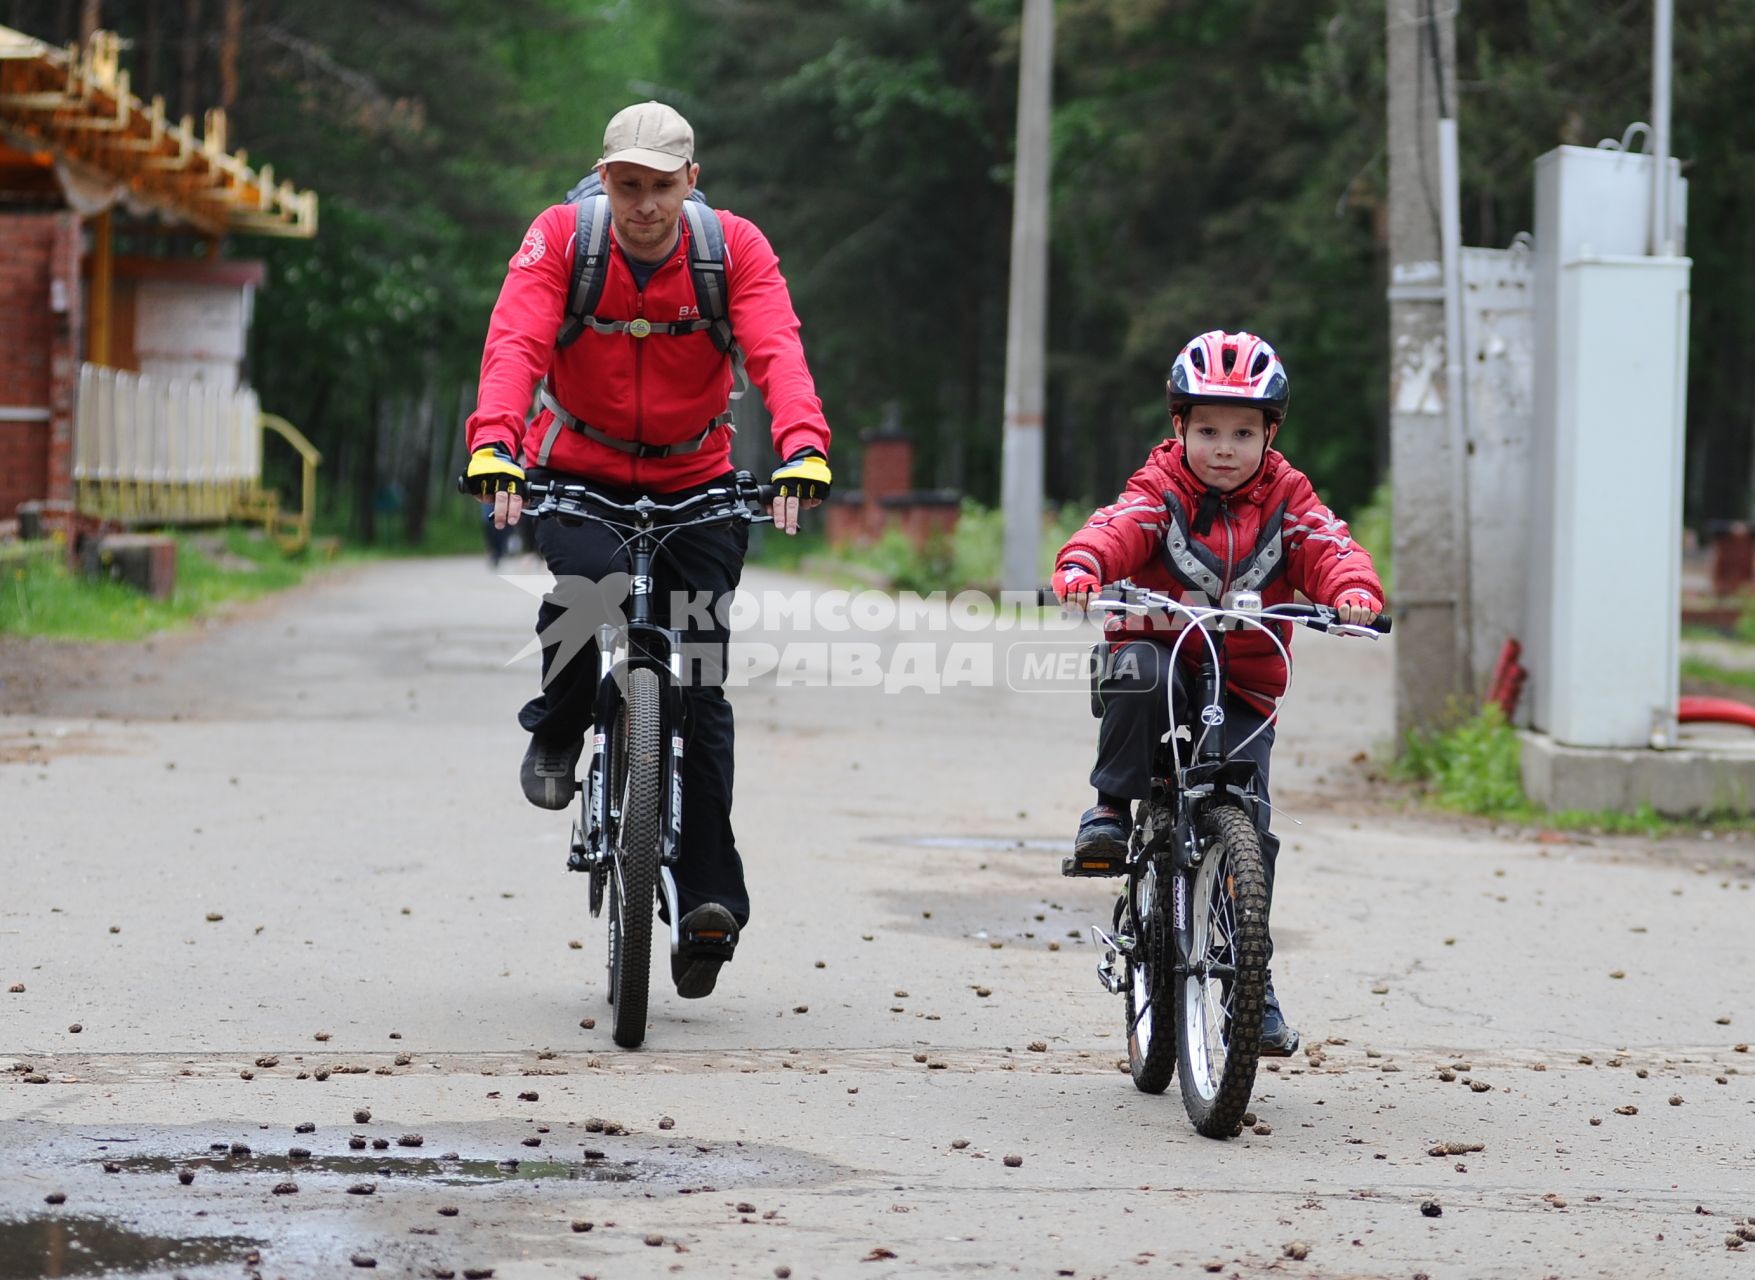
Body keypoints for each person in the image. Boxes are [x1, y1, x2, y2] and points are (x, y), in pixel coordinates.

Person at [463, 101, 832, 1000]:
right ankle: (557, 723)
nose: (642, 206)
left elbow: (775, 348)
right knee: (588, 585)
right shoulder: (560, 239)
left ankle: (707, 899)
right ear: (602, 178)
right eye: (625, 186)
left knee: (698, 683)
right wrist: (495, 439)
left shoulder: (732, 248)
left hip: (698, 478)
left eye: (660, 188)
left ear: (690, 183)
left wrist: (802, 445)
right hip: (579, 467)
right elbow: (514, 340)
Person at [1050, 329, 1382, 1056]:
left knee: (1249, 828)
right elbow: (1120, 526)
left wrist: (1352, 589)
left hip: (1244, 682)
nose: (1222, 447)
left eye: (1241, 431)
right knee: (1143, 671)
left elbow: (1326, 544)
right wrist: (1082, 565)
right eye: (1205, 430)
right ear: (1178, 429)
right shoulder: (1160, 487)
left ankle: (1247, 983)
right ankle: (1109, 808)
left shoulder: (1288, 497)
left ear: (1270, 433)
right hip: (1160, 653)